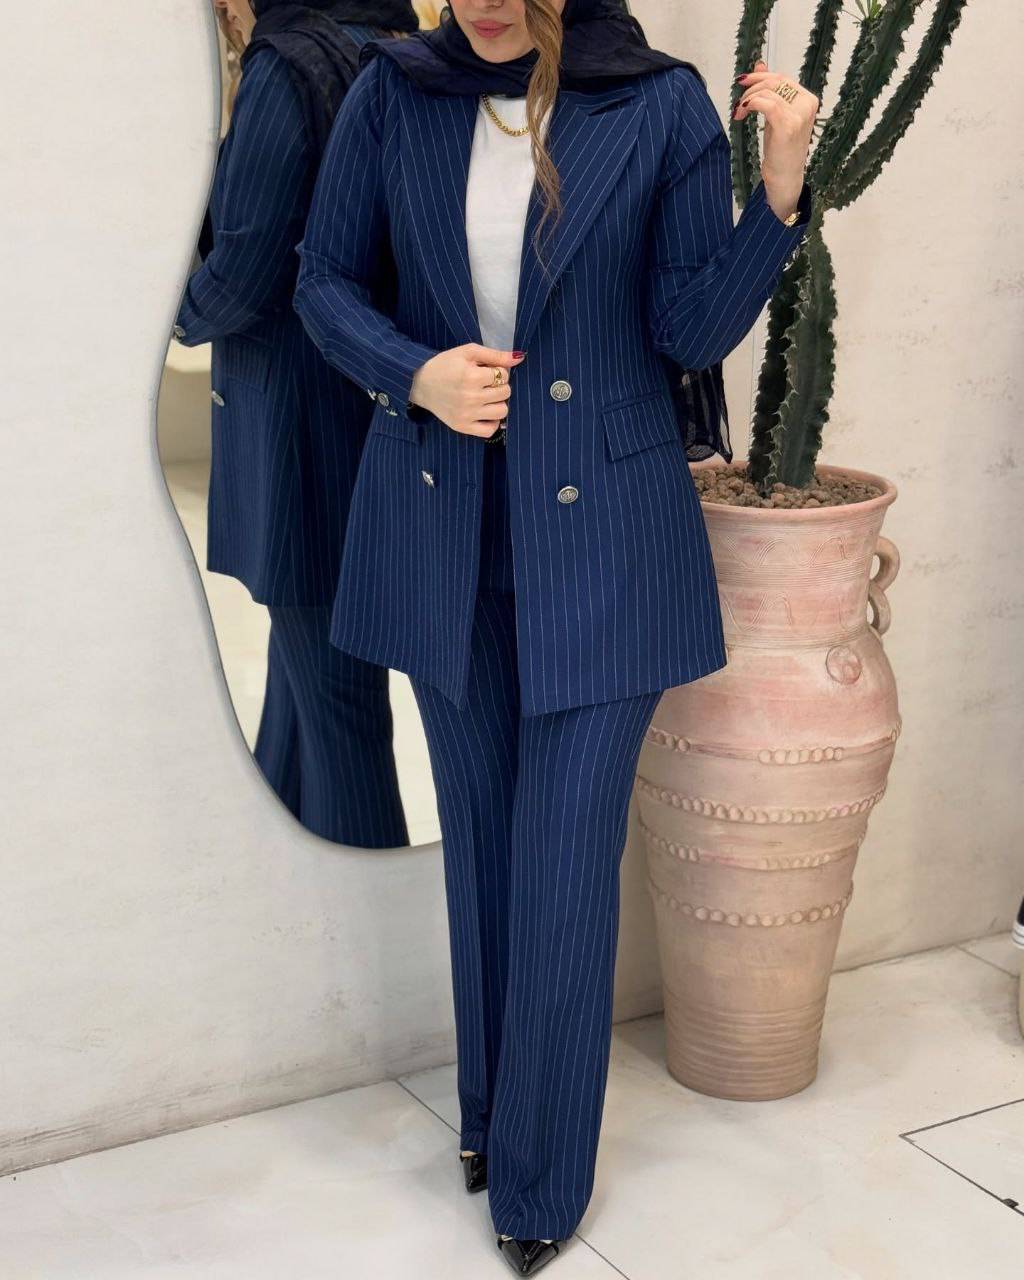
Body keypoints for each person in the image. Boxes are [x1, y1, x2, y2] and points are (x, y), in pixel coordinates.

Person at [294, 0, 817, 1270]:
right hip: (441, 526)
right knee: (481, 840)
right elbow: (321, 281)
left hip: (608, 540)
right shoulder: (392, 92)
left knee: (565, 854)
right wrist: (414, 372)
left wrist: (780, 191)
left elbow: (687, 330)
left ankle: (536, 1178)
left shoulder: (654, 100)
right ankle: (486, 1122)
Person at [173, 0, 421, 848]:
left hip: (299, 421)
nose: (224, 10)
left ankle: (361, 914)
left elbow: (245, 267)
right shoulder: (399, 45)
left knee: (338, 704)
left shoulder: (287, 66)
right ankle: (277, 879)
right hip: (372, 405)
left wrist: (165, 315)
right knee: (309, 671)